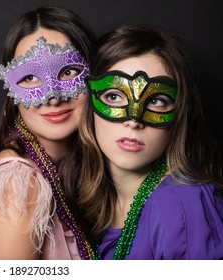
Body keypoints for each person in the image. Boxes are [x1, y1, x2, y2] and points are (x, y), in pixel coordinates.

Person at [0, 7, 97, 259]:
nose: (52, 96)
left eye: (68, 72)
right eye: (30, 77)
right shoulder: (17, 186)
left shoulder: (76, 172)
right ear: (12, 93)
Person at [67, 24, 223, 259]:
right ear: (90, 105)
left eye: (157, 101)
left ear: (180, 113)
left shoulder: (181, 204)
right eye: (114, 96)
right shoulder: (93, 204)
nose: (134, 120)